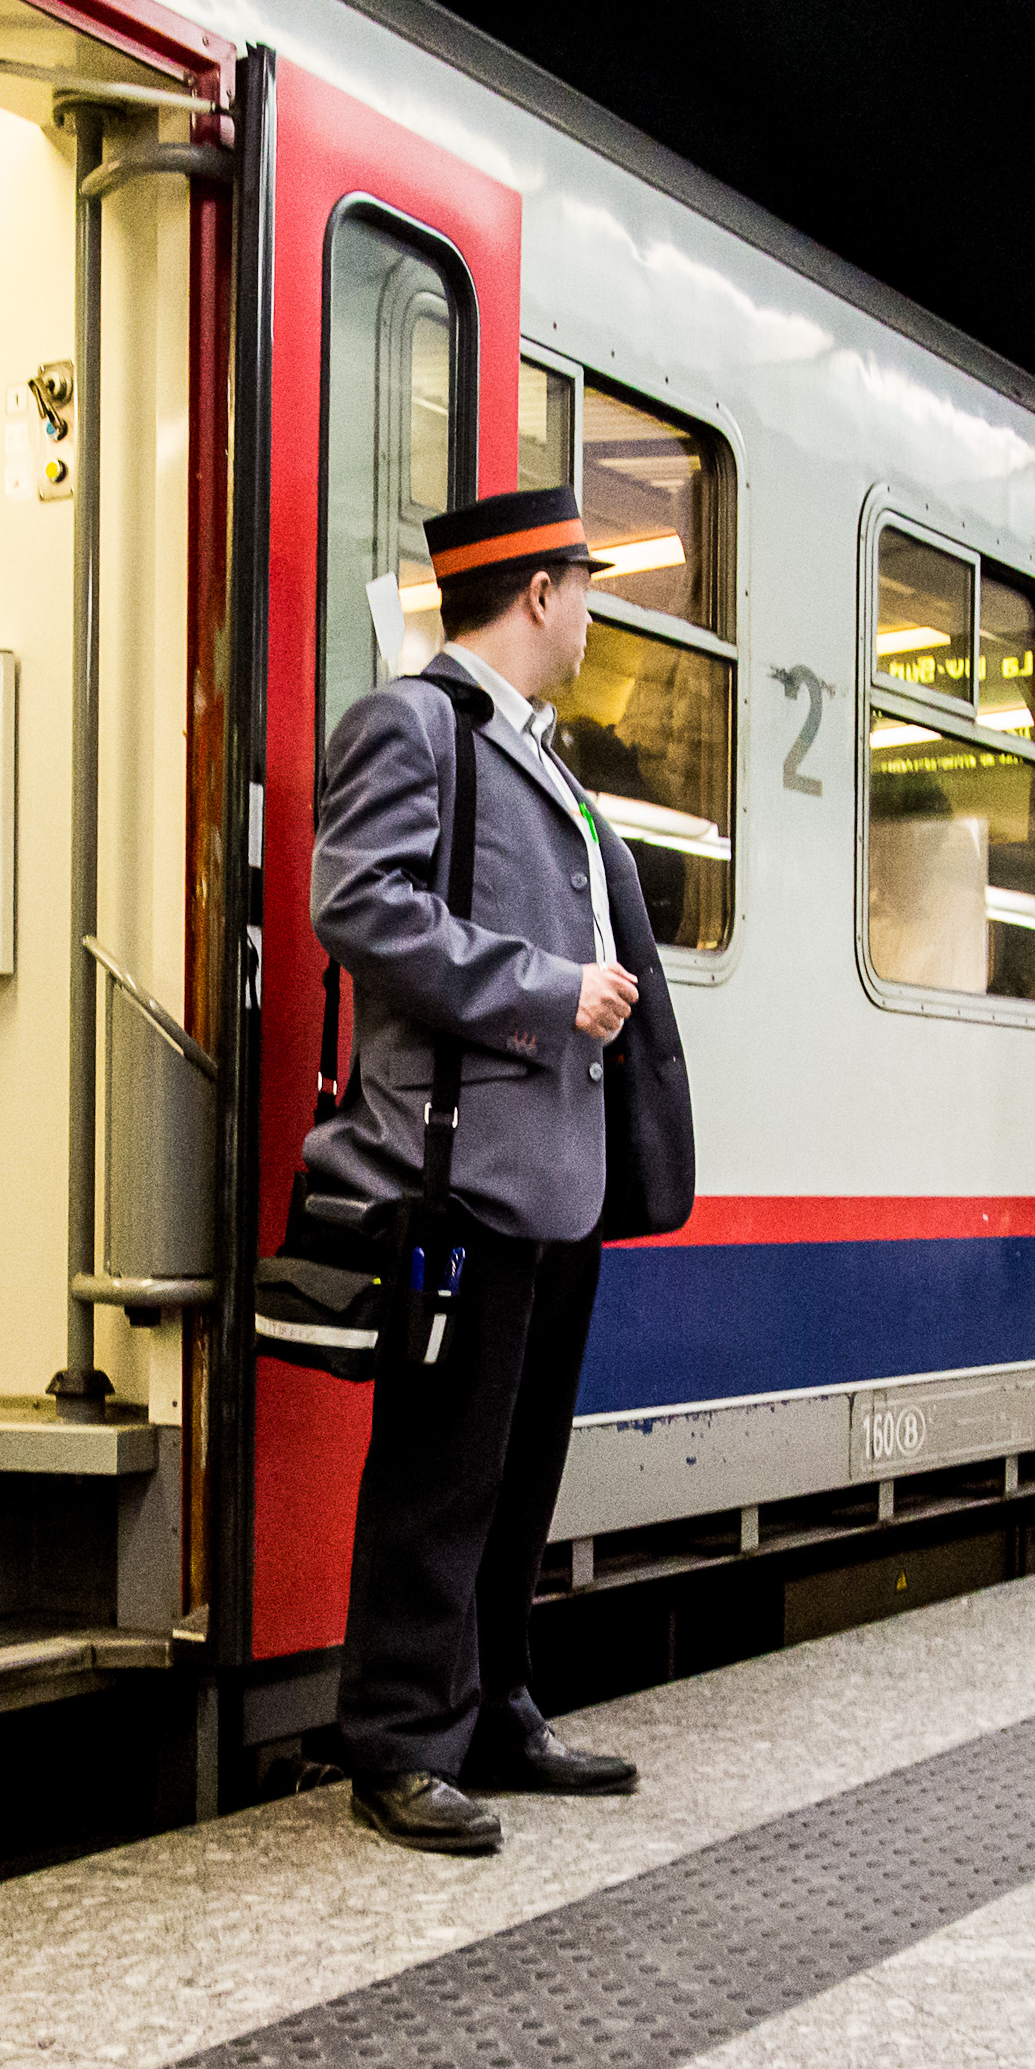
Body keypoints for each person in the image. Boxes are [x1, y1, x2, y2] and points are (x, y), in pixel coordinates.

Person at [304, 483, 696, 1855]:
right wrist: (541, 985)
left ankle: (495, 1704)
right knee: (439, 1469)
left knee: (517, 1466)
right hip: (459, 1168)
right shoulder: (412, 724)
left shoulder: (535, 754)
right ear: (540, 592)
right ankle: (401, 1738)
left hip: (554, 1173)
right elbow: (355, 901)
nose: (592, 608)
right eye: (585, 582)